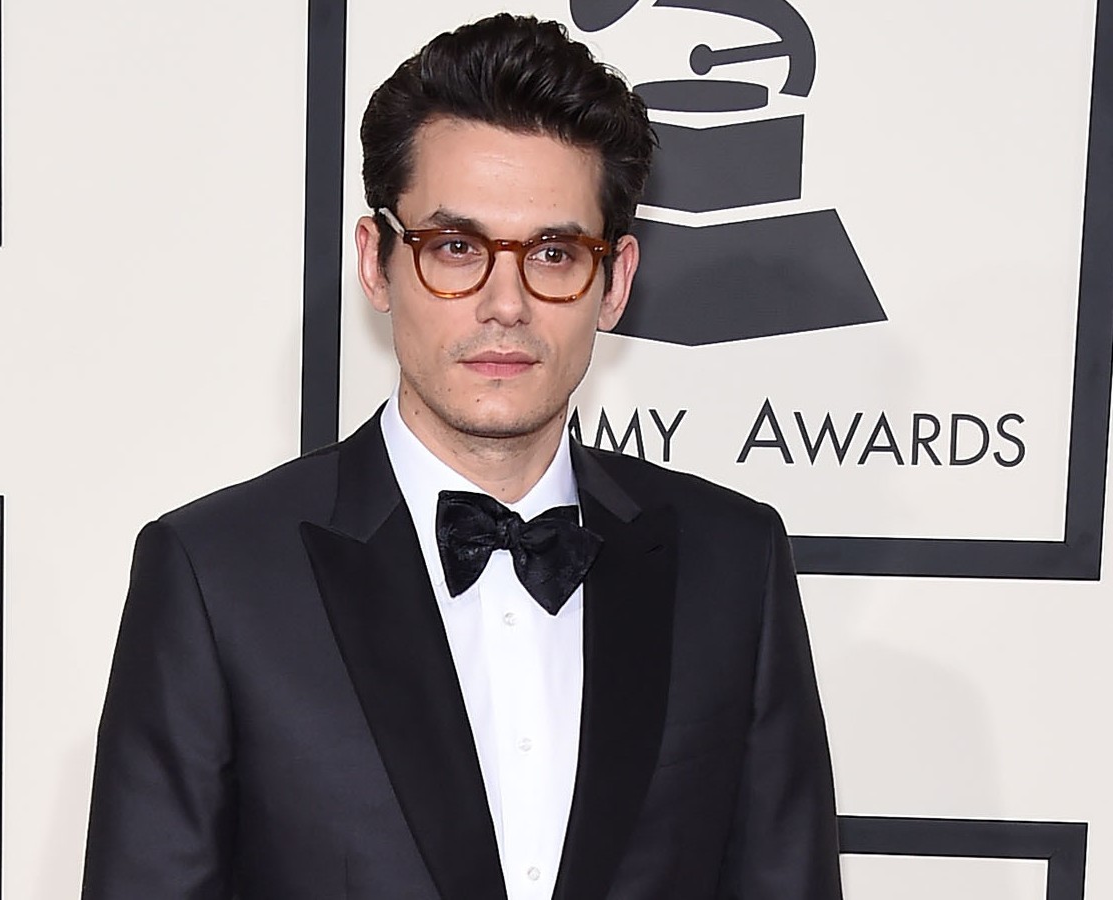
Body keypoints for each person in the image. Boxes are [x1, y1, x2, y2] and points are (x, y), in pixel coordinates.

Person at [82, 13, 842, 900]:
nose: (505, 303)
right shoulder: (218, 574)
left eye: (555, 253)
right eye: (456, 248)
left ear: (616, 281)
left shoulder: (732, 563)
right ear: (377, 262)